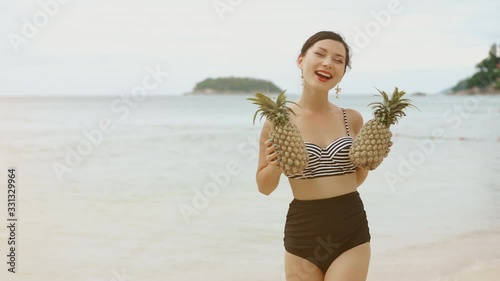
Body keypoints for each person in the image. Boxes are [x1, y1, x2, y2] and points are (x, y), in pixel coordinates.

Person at [255, 31, 391, 281]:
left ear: (342, 73)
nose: (328, 62)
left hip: (350, 225)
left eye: (338, 60)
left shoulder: (352, 119)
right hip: (303, 229)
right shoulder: (278, 120)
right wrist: (275, 164)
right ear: (300, 61)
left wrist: (371, 160)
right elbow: (264, 187)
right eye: (320, 54)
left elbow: (354, 180)